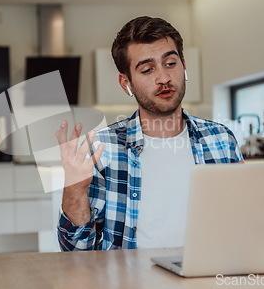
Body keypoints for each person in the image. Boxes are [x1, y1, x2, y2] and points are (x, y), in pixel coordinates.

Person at [56, 16, 244, 251]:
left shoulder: (221, 140)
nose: (164, 78)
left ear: (184, 65)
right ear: (126, 83)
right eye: (147, 69)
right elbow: (75, 251)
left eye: (171, 64)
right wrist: (74, 189)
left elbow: (243, 227)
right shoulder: (101, 148)